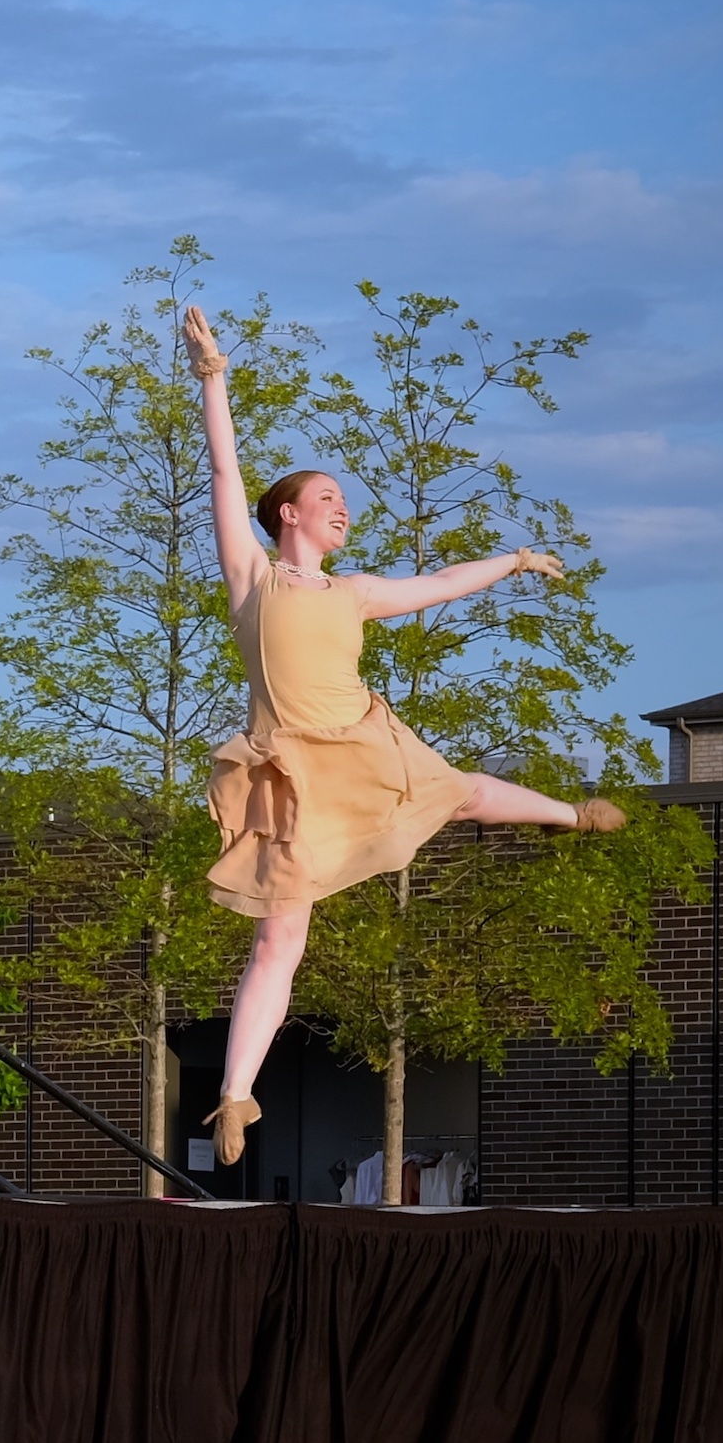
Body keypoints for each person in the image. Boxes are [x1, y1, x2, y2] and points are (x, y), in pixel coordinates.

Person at [188, 304, 623, 1167]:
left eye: (343, 502)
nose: (342, 509)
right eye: (326, 499)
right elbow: (226, 474)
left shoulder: (351, 592)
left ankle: (569, 816)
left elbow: (442, 583)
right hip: (293, 772)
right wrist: (214, 378)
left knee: (460, 792)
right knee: (281, 937)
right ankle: (237, 1096)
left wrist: (513, 562)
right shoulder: (252, 578)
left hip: (361, 740)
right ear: (288, 517)